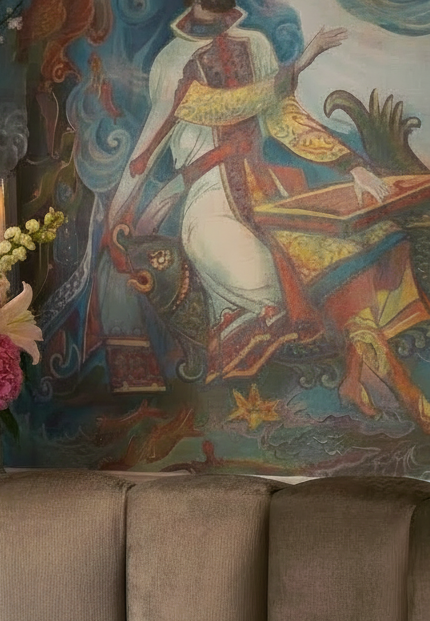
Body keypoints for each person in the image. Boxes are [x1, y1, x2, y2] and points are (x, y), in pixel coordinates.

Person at [102, 0, 430, 427]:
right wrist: (299, 64)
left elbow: (284, 118)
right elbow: (219, 106)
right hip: (210, 206)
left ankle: (392, 389)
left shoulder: (255, 44)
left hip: (272, 191)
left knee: (356, 254)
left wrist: (352, 165)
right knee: (295, 281)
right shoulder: (172, 60)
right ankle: (387, 386)